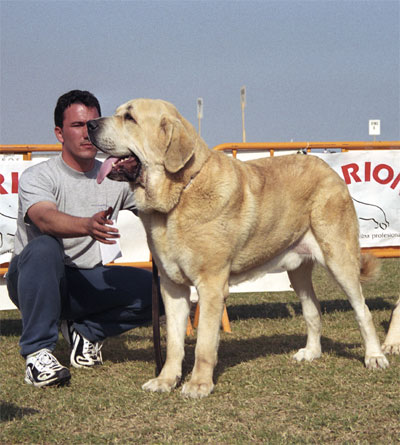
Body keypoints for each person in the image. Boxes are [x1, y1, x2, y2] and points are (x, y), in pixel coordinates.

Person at [6, 90, 155, 388]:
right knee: (45, 247)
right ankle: (37, 354)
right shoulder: (39, 176)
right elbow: (44, 218)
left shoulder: (115, 175)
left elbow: (157, 209)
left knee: (162, 292)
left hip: (84, 283)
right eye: (77, 126)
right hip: (34, 281)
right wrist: (86, 226)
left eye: (93, 125)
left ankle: (86, 333)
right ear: (59, 133)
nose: (87, 134)